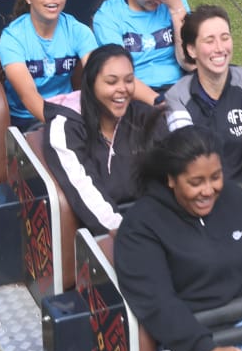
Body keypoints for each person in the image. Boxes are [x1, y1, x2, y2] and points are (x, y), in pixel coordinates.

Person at [114, 127, 242, 351]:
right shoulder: (141, 226)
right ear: (171, 179)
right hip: (183, 339)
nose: (208, 190)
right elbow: (156, 301)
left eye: (216, 177)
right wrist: (205, 349)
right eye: (196, 182)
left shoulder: (236, 200)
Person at [43, 44, 158, 233]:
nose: (122, 89)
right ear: (90, 83)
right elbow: (85, 193)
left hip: (151, 222)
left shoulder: (142, 117)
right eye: (111, 82)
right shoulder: (65, 128)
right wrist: (130, 236)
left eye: (128, 80)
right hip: (107, 235)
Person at [164, 4, 242, 184]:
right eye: (209, 40)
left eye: (225, 37)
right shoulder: (177, 97)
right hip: (206, 199)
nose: (220, 48)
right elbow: (192, 165)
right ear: (191, 50)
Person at [0, 0, 96, 128]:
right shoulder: (12, 37)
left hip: (70, 112)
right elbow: (28, 95)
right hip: (26, 118)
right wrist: (60, 124)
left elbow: (98, 74)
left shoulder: (79, 31)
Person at [92, 0, 191, 105]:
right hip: (136, 95)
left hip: (180, 88)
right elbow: (121, 75)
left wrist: (176, 8)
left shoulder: (175, 1)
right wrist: (159, 102)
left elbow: (189, 62)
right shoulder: (108, 16)